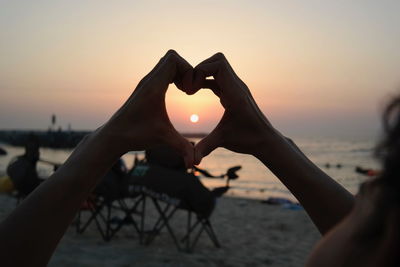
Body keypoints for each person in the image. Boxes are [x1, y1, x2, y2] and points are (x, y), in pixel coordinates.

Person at [0, 50, 396, 266]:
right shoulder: (376, 240)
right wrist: (270, 142)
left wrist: (106, 141)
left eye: (373, 193)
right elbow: (369, 234)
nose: (360, 193)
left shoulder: (372, 241)